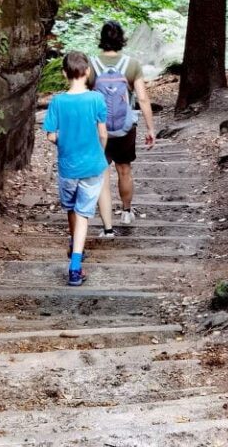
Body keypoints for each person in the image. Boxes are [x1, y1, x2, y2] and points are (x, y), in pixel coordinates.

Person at [43, 51, 108, 286]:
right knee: (82, 214)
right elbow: (102, 133)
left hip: (67, 167)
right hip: (92, 166)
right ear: (88, 72)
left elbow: (50, 136)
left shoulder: (57, 102)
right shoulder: (97, 99)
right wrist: (100, 151)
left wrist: (64, 139)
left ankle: (74, 245)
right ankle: (75, 267)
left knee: (71, 208)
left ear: (64, 73)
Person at [89, 21, 156, 232]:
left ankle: (106, 221)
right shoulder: (132, 64)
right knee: (124, 170)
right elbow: (143, 99)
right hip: (125, 128)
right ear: (121, 39)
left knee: (101, 173)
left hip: (99, 129)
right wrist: (150, 128)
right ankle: (126, 212)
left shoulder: (90, 65)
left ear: (101, 39)